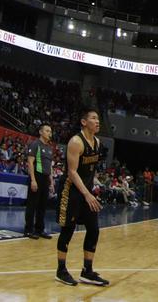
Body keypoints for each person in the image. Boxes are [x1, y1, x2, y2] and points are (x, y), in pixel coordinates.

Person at [55, 108, 108, 287]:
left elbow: (90, 170)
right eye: (94, 118)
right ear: (84, 122)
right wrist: (86, 194)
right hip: (71, 190)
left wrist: (92, 190)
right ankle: (61, 270)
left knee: (94, 229)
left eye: (98, 118)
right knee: (68, 229)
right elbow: (72, 172)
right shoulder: (76, 142)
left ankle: (87, 271)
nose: (97, 121)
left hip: (86, 191)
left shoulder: (98, 142)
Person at [25, 124, 55, 239]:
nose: (49, 133)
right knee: (32, 205)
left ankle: (39, 229)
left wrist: (51, 182)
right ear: (41, 132)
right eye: (47, 131)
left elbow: (50, 167)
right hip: (36, 177)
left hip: (45, 179)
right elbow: (30, 163)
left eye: (50, 131)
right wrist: (33, 180)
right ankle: (28, 230)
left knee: (42, 206)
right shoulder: (35, 144)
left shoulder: (49, 147)